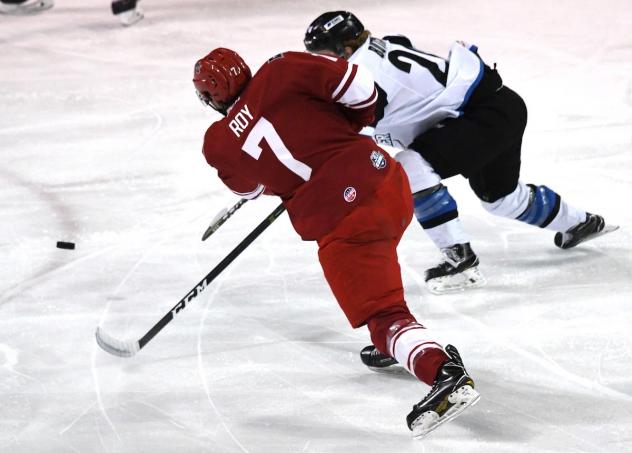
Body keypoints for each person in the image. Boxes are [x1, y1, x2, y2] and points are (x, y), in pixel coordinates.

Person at [193, 47, 480, 438]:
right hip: (386, 182)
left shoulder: (217, 144)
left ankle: (440, 371)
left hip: (345, 224)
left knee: (384, 316)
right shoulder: (282, 68)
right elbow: (363, 89)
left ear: (210, 98)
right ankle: (402, 341)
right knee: (378, 254)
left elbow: (254, 188)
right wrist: (350, 126)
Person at [303, 11, 613, 296]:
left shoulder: (365, 77)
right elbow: (401, 47)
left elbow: (358, 137)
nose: (319, 62)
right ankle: (581, 223)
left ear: (344, 49)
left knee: (412, 165)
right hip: (496, 107)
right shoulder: (378, 49)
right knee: (501, 200)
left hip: (482, 115)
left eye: (323, 54)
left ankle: (459, 260)